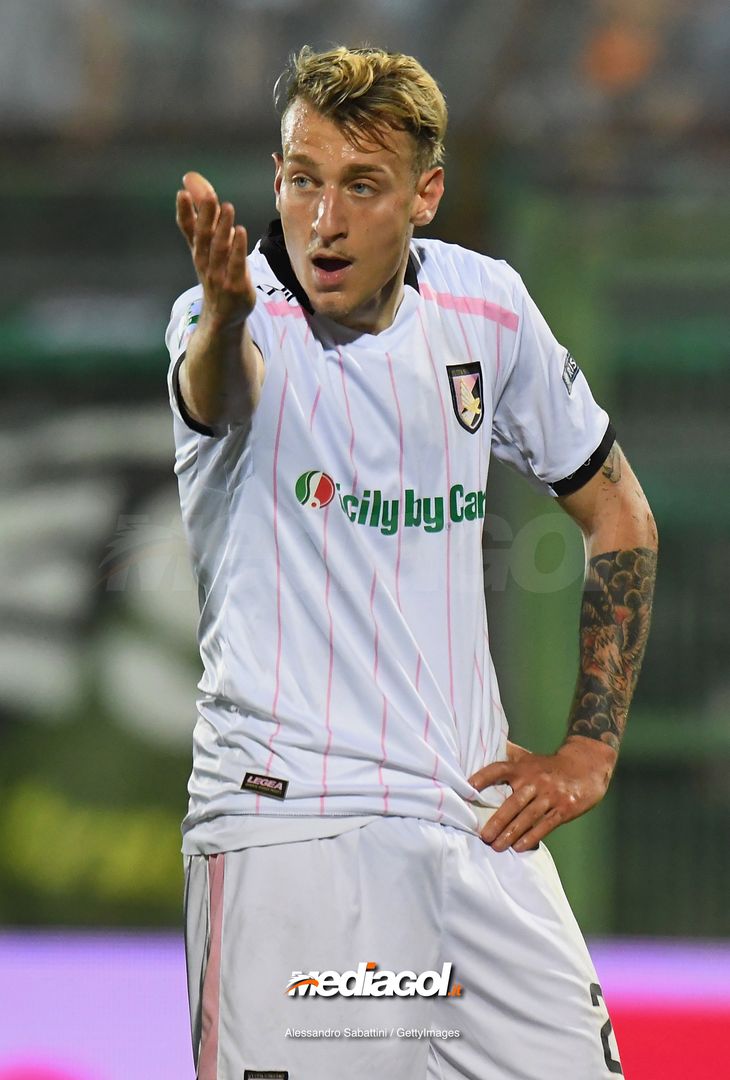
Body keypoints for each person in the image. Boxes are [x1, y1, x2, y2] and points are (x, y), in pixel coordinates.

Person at [166, 44, 657, 1080]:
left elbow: (619, 513)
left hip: (474, 830)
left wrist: (589, 749)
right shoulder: (230, 315)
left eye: (360, 186)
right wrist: (222, 314)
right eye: (302, 179)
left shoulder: (485, 308)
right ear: (276, 177)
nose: (323, 219)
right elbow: (220, 390)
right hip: (286, 829)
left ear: (424, 194)